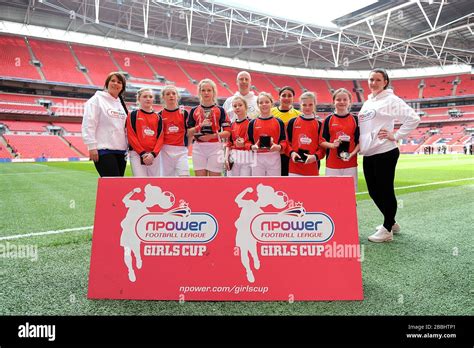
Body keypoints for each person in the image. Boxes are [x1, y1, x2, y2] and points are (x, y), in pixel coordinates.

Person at [359, 68, 420, 243]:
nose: (373, 83)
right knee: (373, 191)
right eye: (371, 79)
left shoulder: (391, 99)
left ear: (385, 82)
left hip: (385, 151)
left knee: (385, 190)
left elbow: (413, 118)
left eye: (378, 80)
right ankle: (391, 222)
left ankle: (387, 230)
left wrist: (397, 135)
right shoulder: (369, 101)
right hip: (370, 152)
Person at [82, 72, 129, 177]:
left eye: (119, 82)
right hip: (103, 150)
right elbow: (89, 123)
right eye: (113, 81)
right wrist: (91, 147)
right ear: (107, 83)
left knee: (117, 185)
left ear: (122, 87)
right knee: (113, 184)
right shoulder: (96, 100)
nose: (115, 84)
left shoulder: (121, 104)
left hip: (121, 151)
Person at [187, 79, 231, 176]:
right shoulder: (194, 110)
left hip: (215, 147)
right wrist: (200, 126)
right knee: (200, 182)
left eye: (209, 90)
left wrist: (212, 136)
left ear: (213, 92)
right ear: (199, 92)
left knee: (214, 182)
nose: (206, 93)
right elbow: (189, 132)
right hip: (198, 147)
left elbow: (228, 132)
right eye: (203, 90)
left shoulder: (221, 110)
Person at [321, 88, 360, 191]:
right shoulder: (328, 119)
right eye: (338, 99)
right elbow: (321, 141)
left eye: (345, 99)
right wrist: (332, 145)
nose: (342, 102)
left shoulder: (355, 119)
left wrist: (351, 154)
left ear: (349, 102)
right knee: (332, 194)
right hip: (332, 165)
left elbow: (360, 143)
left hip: (350, 164)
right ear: (334, 102)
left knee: (350, 195)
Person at [246, 92, 286, 176]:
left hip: (274, 156)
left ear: (272, 103)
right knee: (257, 184)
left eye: (267, 102)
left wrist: (279, 147)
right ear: (257, 105)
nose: (264, 104)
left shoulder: (279, 122)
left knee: (274, 185)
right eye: (261, 102)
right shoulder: (252, 123)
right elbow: (247, 142)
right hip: (257, 157)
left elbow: (284, 141)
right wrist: (252, 147)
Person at [286, 91, 325, 176]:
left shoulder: (319, 124)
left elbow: (322, 148)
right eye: (304, 105)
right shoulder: (292, 122)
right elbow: (286, 143)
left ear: (315, 105)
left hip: (312, 168)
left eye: (310, 105)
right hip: (294, 169)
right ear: (300, 105)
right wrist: (292, 153)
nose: (307, 107)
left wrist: (314, 157)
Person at [126, 88, 163, 177]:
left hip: (154, 155)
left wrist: (153, 154)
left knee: (156, 183)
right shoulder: (133, 115)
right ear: (139, 99)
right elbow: (131, 136)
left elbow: (161, 137)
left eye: (150, 97)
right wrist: (142, 153)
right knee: (141, 182)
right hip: (137, 154)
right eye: (145, 96)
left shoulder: (158, 117)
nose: (148, 99)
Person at [158, 85, 190, 176]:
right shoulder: (159, 115)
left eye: (173, 93)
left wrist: (187, 145)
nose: (171, 96)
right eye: (168, 94)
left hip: (181, 150)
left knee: (184, 177)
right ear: (163, 97)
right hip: (165, 150)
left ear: (177, 96)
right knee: (167, 180)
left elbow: (189, 132)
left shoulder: (184, 113)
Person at [271, 86, 301, 176]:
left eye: (289, 96)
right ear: (279, 97)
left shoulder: (298, 115)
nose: (286, 98)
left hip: (291, 153)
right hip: (274, 153)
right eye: (284, 95)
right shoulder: (271, 112)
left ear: (293, 98)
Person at [224, 96, 252, 176]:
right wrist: (226, 158)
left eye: (240, 105)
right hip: (233, 156)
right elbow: (228, 144)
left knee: (245, 184)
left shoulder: (251, 123)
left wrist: (245, 144)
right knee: (232, 183)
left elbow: (254, 142)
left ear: (246, 107)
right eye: (235, 106)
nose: (237, 107)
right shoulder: (231, 125)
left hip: (247, 155)